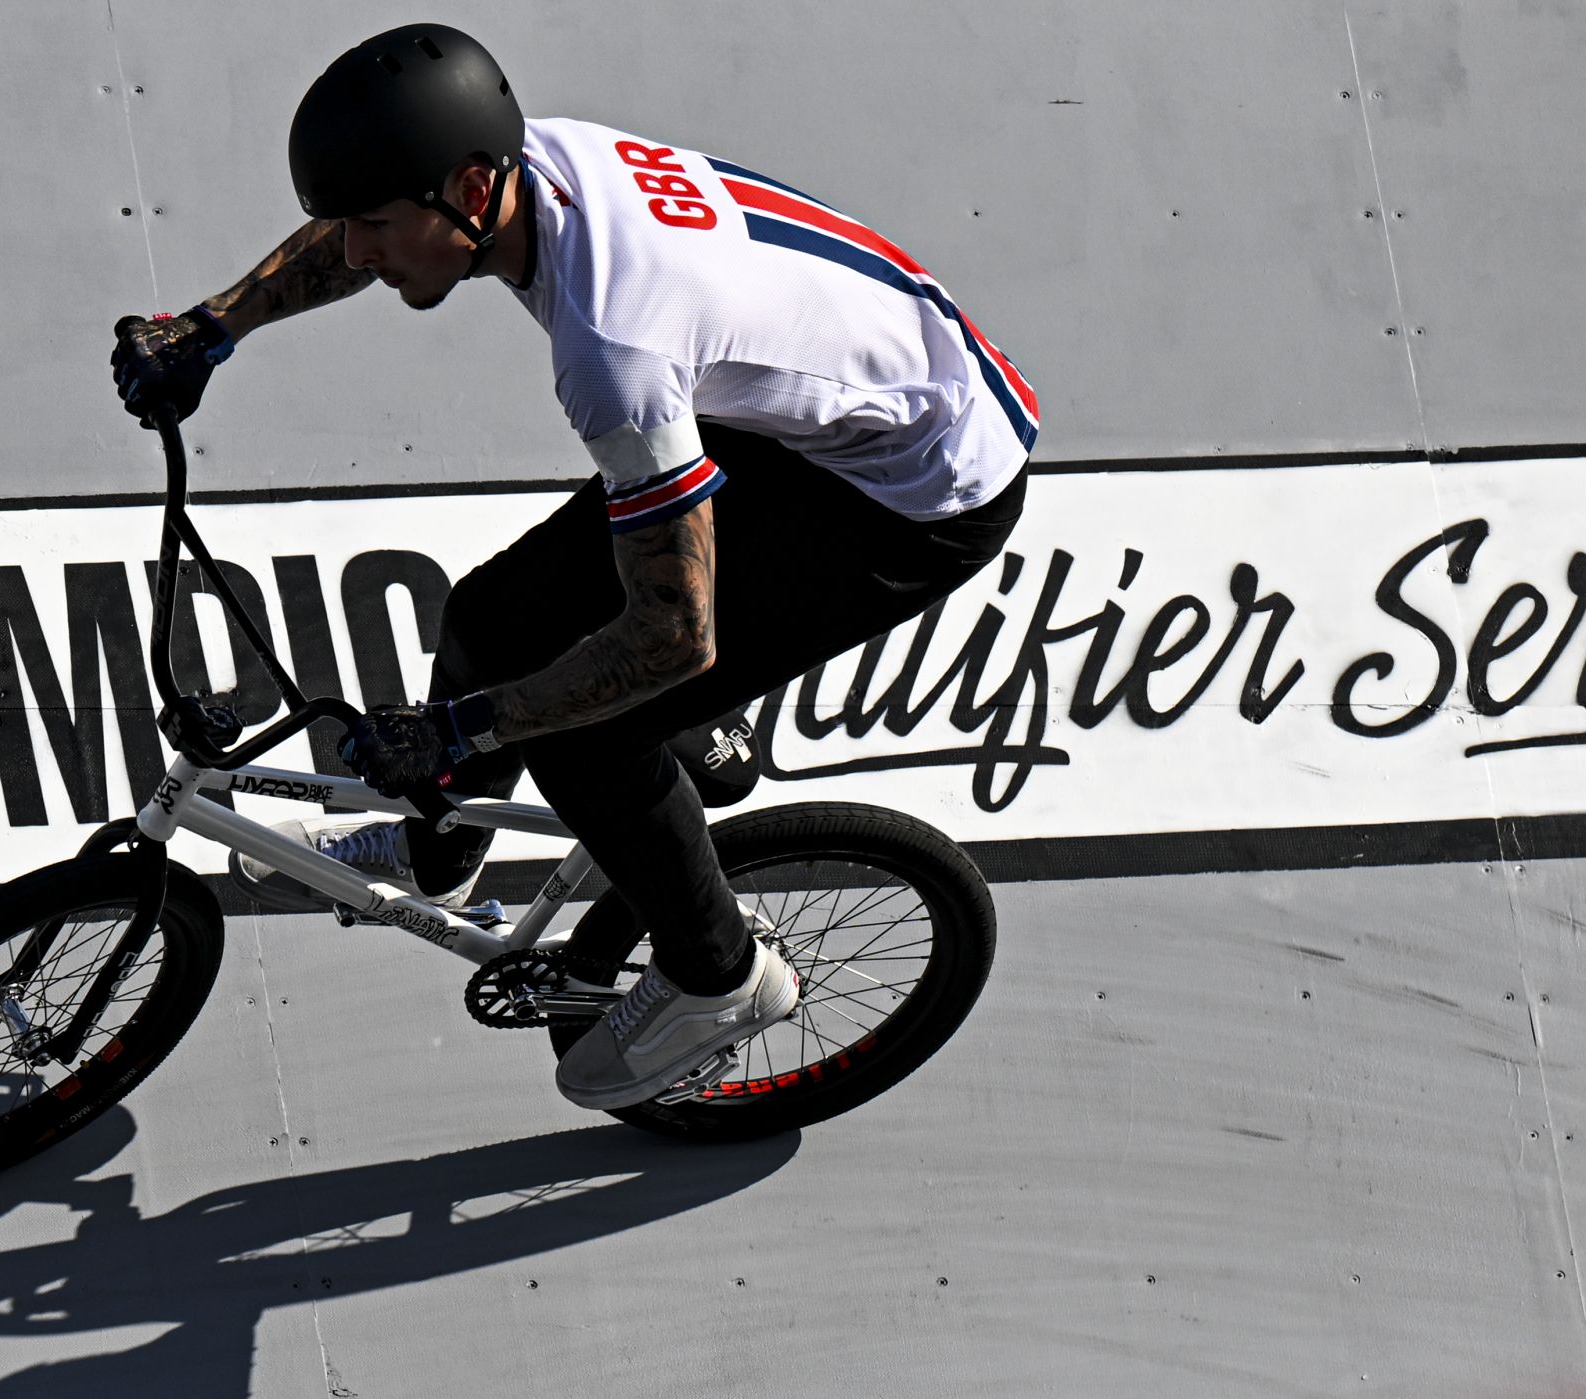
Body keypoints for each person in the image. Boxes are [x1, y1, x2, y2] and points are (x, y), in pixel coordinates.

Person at [111, 23, 1036, 1108]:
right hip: (819, 407)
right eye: (348, 223)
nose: (356, 254)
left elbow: (670, 636)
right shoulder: (520, 159)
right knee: (489, 619)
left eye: (374, 228)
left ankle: (719, 976)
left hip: (908, 497)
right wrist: (210, 328)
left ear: (469, 190)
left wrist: (462, 730)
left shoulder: (614, 346)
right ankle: (441, 850)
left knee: (588, 732)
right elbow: (364, 229)